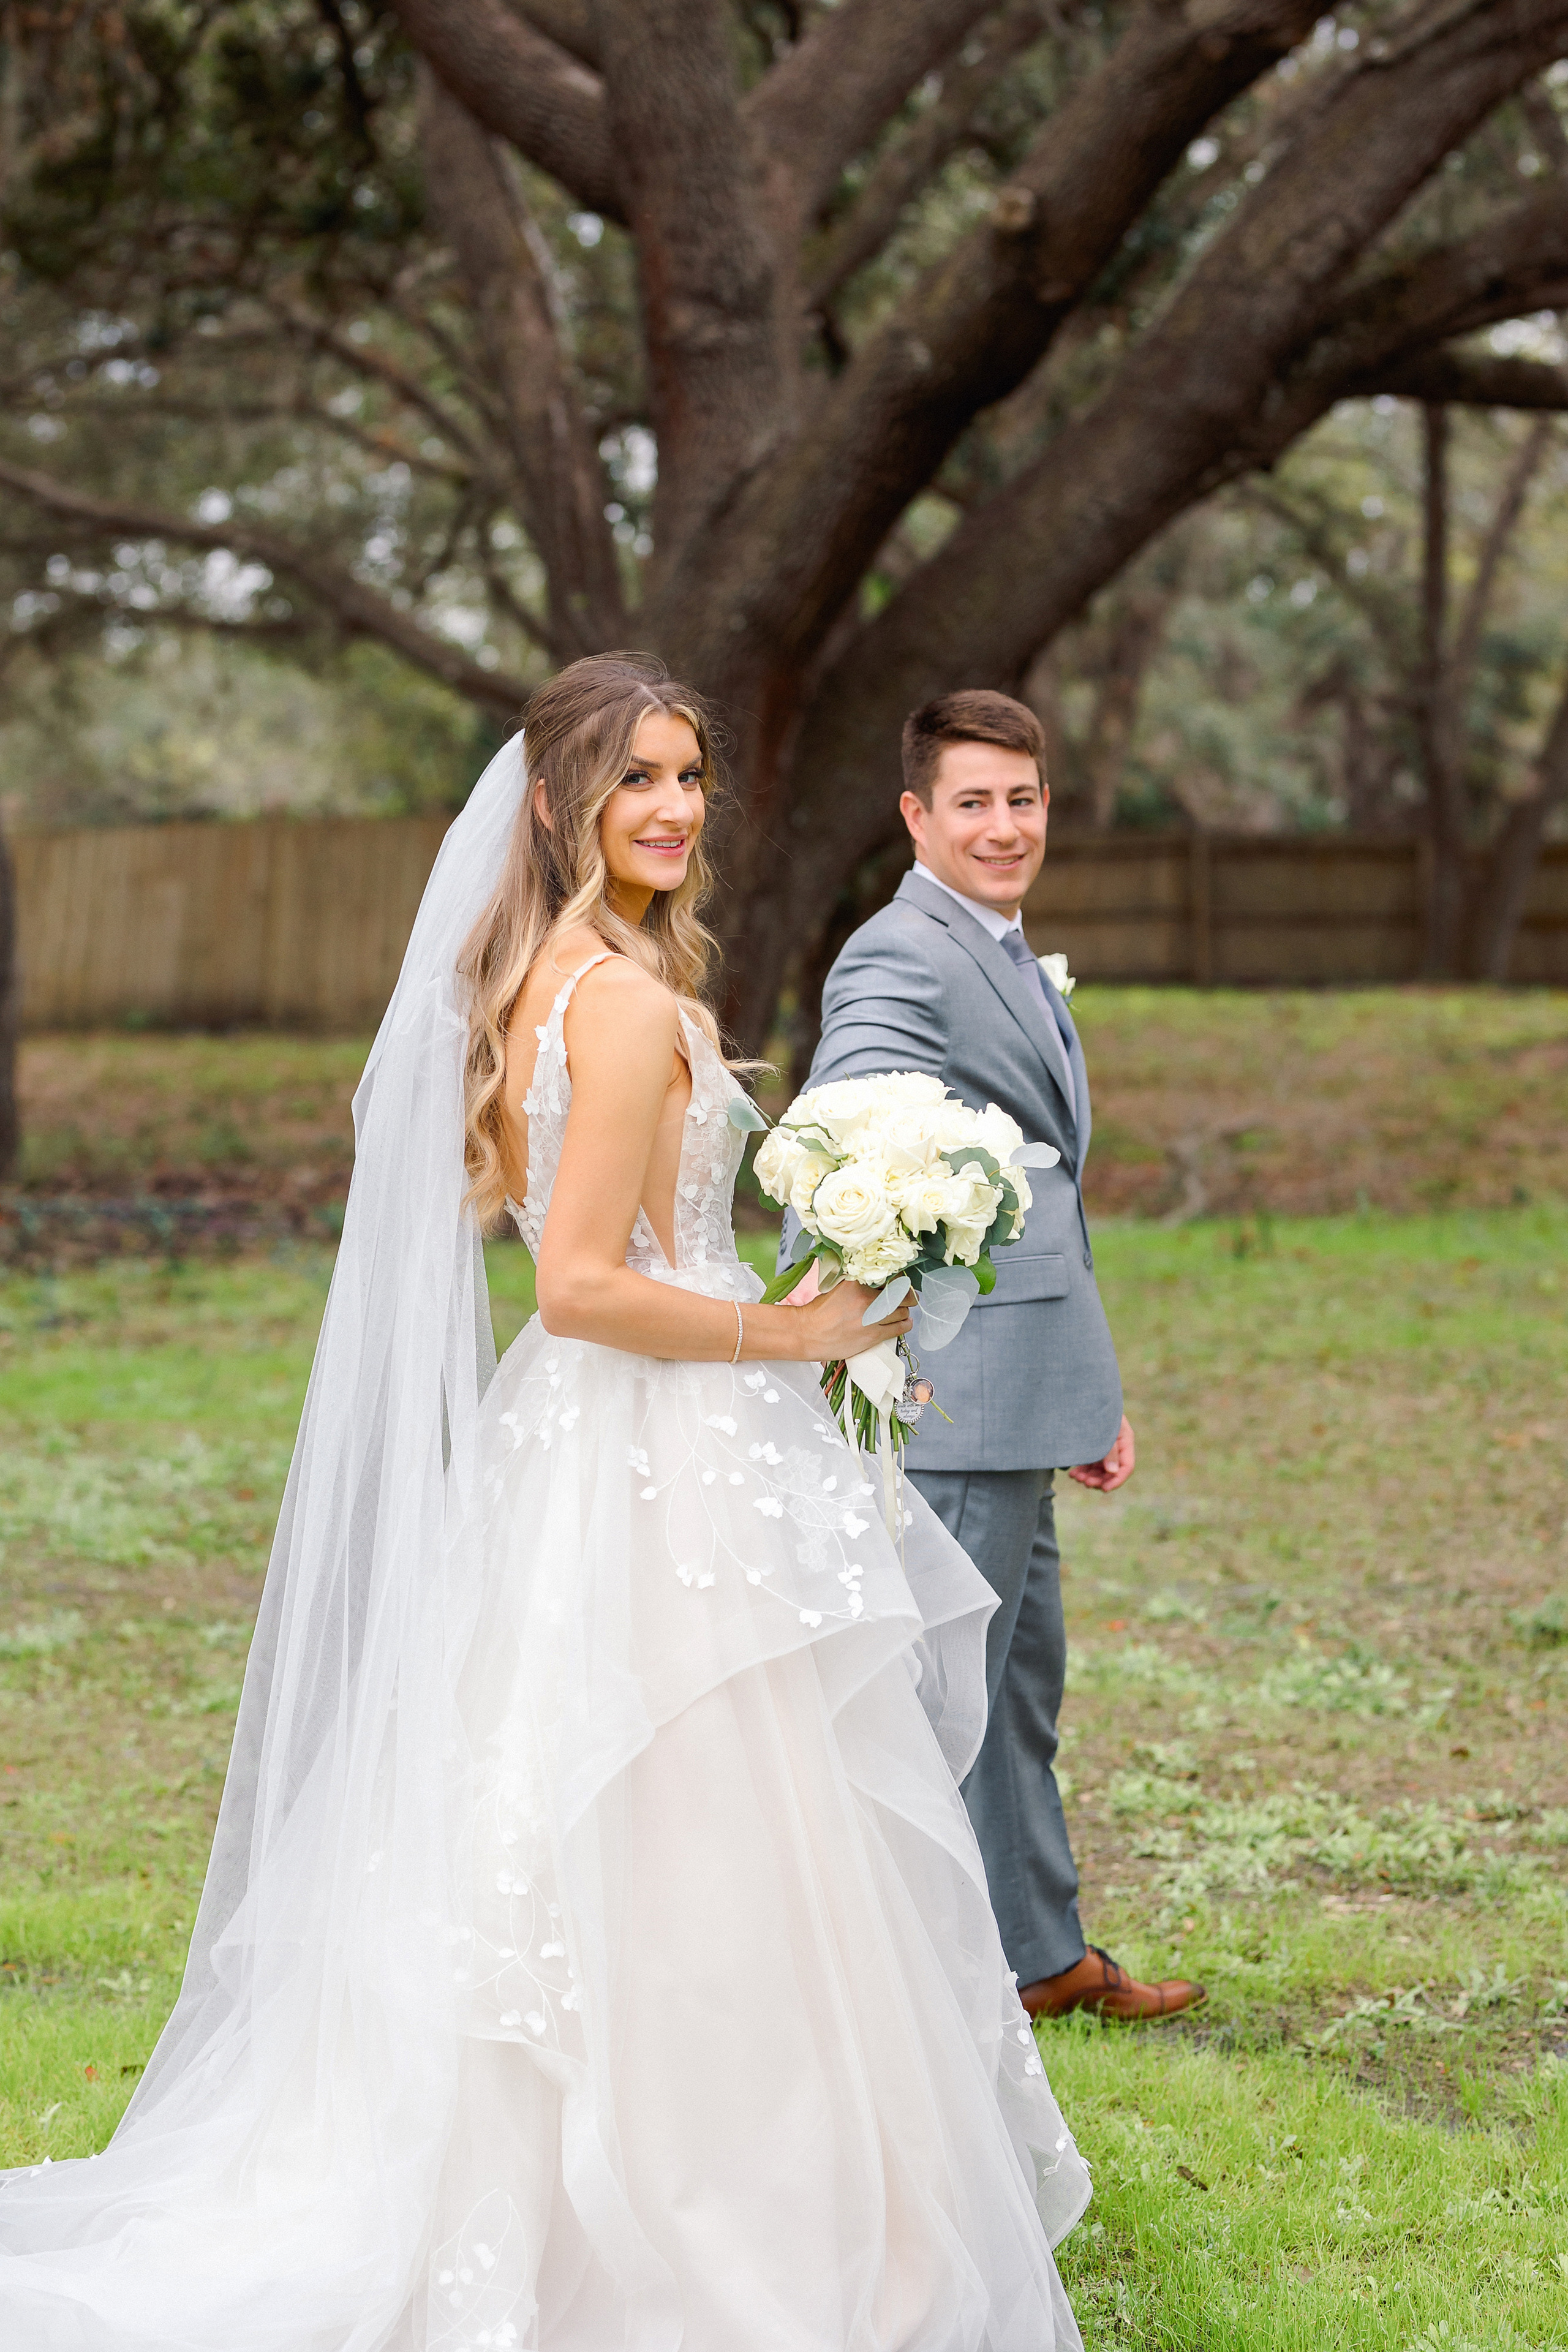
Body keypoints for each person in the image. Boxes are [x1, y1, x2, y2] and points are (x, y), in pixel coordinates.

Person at [0, 654, 1088, 2351]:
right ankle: (716, 2223)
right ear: (558, 803)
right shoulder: (630, 1003)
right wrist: (788, 1327)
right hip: (655, 1458)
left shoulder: (538, 983)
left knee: (609, 1823)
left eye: (689, 778)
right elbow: (580, 1285)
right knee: (700, 1827)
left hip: (597, 1452)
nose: (671, 809)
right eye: (637, 779)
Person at [790, 690, 1205, 2026]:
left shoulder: (1003, 947)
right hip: (952, 1394)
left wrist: (1084, 1393)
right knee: (941, 1697)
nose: (1002, 825)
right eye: (971, 801)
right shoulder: (898, 956)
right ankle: (906, 1977)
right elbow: (843, 1137)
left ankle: (1035, 1957)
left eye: (1021, 799)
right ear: (915, 815)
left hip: (1027, 1388)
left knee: (1016, 1688)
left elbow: (1049, 1194)